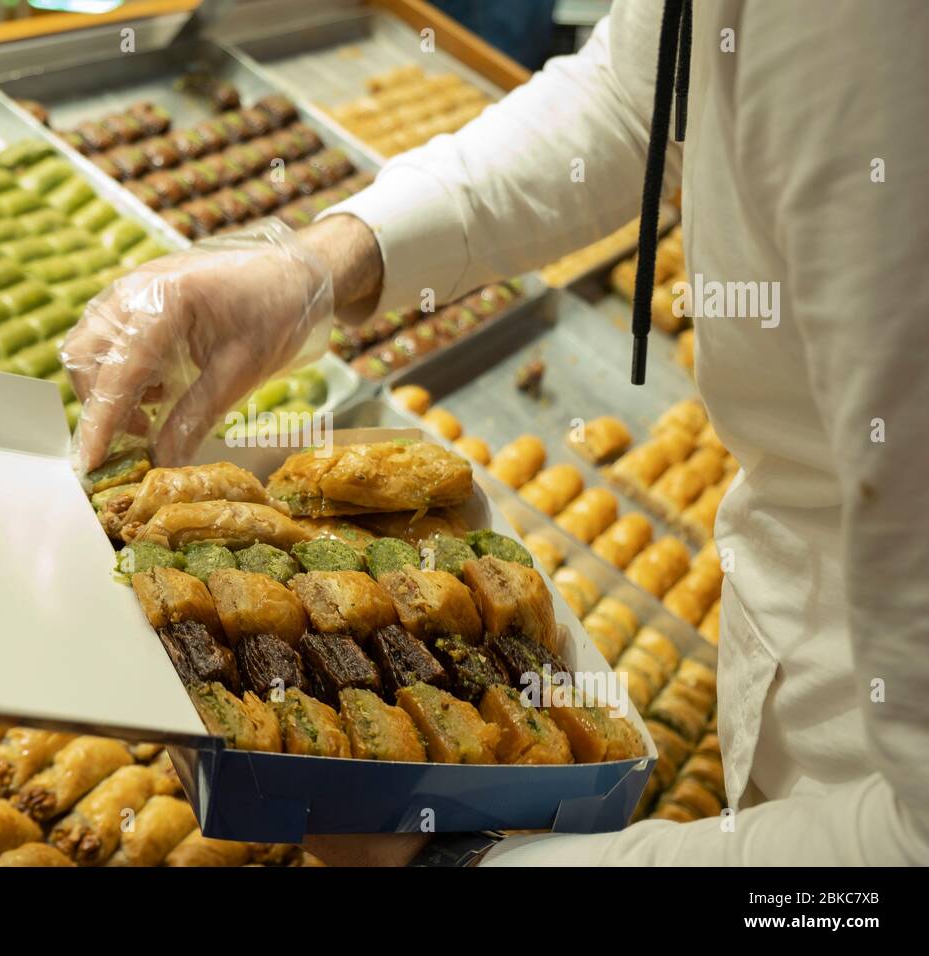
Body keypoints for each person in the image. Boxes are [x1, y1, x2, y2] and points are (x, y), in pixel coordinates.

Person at [63, 0, 929, 865]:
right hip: (781, 681)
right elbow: (640, 95)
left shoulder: (871, 45)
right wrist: (320, 267)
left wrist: (452, 861)